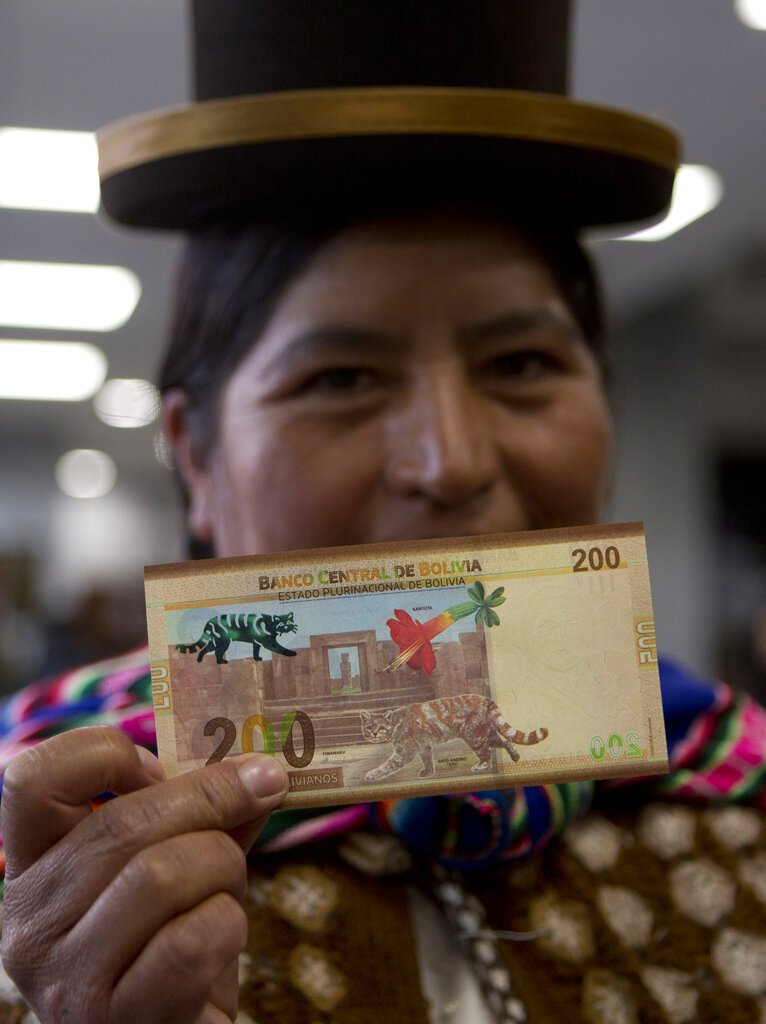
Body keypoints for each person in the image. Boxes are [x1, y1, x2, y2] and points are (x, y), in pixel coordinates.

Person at [1, 4, 764, 1023]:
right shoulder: (43, 871)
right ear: (195, 457)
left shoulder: (734, 796)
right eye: (341, 377)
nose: (450, 461)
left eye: (522, 364)